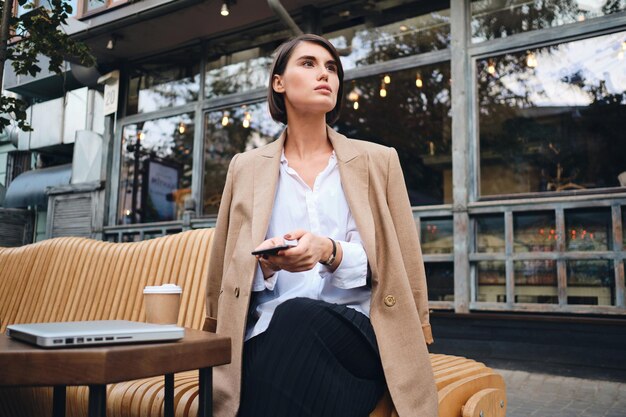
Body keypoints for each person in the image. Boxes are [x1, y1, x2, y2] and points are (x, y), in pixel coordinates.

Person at [205, 33, 437, 417]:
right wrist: (265, 266)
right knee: (277, 346)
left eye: (331, 67)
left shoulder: (378, 160)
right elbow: (224, 265)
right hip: (269, 333)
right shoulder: (245, 168)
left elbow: (399, 259)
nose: (325, 74)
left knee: (296, 317)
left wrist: (329, 251)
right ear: (279, 83)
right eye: (309, 64)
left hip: (358, 336)